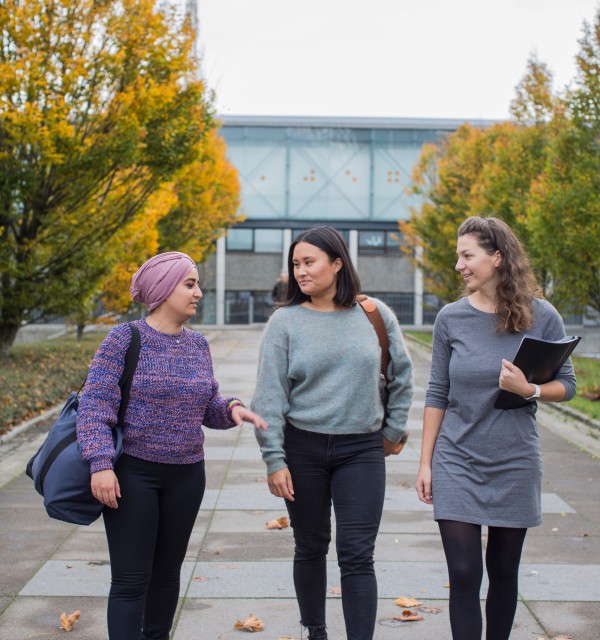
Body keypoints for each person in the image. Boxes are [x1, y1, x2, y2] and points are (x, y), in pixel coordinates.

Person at [76, 251, 266, 640]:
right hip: (134, 475)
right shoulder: (124, 339)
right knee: (131, 579)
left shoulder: (198, 345)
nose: (199, 292)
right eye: (190, 284)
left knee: (167, 575)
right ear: (163, 289)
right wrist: (100, 463)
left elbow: (206, 405)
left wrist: (231, 409)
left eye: (197, 284)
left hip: (187, 476)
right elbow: (94, 405)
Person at [415, 216, 577, 640]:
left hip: (515, 459)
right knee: (465, 572)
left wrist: (530, 389)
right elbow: (437, 393)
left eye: (467, 256)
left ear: (498, 257)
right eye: (458, 256)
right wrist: (426, 463)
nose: (459, 265)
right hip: (457, 459)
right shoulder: (451, 319)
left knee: (503, 572)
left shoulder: (542, 316)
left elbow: (569, 386)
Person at [251, 227, 413, 640]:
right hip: (302, 449)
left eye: (310, 262)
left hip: (361, 450)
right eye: (295, 264)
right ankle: (315, 631)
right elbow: (269, 397)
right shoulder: (284, 323)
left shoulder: (375, 315)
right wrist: (274, 459)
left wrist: (391, 432)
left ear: (337, 263)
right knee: (310, 546)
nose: (300, 271)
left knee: (358, 555)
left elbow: (402, 377)